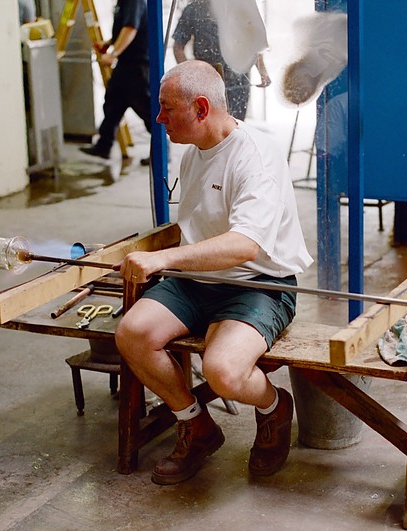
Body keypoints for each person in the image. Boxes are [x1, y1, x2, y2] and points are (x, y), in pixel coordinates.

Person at [114, 60, 313, 485]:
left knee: (222, 371)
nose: (158, 117)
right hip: (197, 281)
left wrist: (164, 260)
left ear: (201, 108)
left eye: (167, 107)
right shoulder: (194, 154)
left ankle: (273, 407)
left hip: (259, 284)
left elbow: (246, 245)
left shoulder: (255, 156)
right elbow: (197, 228)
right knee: (132, 334)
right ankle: (197, 426)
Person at [79, 0, 153, 165]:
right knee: (113, 104)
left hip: (136, 64)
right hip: (126, 63)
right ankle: (104, 146)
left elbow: (130, 28)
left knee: (145, 108)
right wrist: (110, 43)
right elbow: (124, 28)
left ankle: (161, 150)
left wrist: (113, 53)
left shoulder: (133, 2)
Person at [171, 0, 271, 121]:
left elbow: (252, 43)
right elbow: (178, 47)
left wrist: (263, 71)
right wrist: (190, 76)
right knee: (211, 129)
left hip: (238, 85)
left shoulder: (240, 6)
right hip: (207, 84)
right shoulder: (194, 10)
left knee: (236, 128)